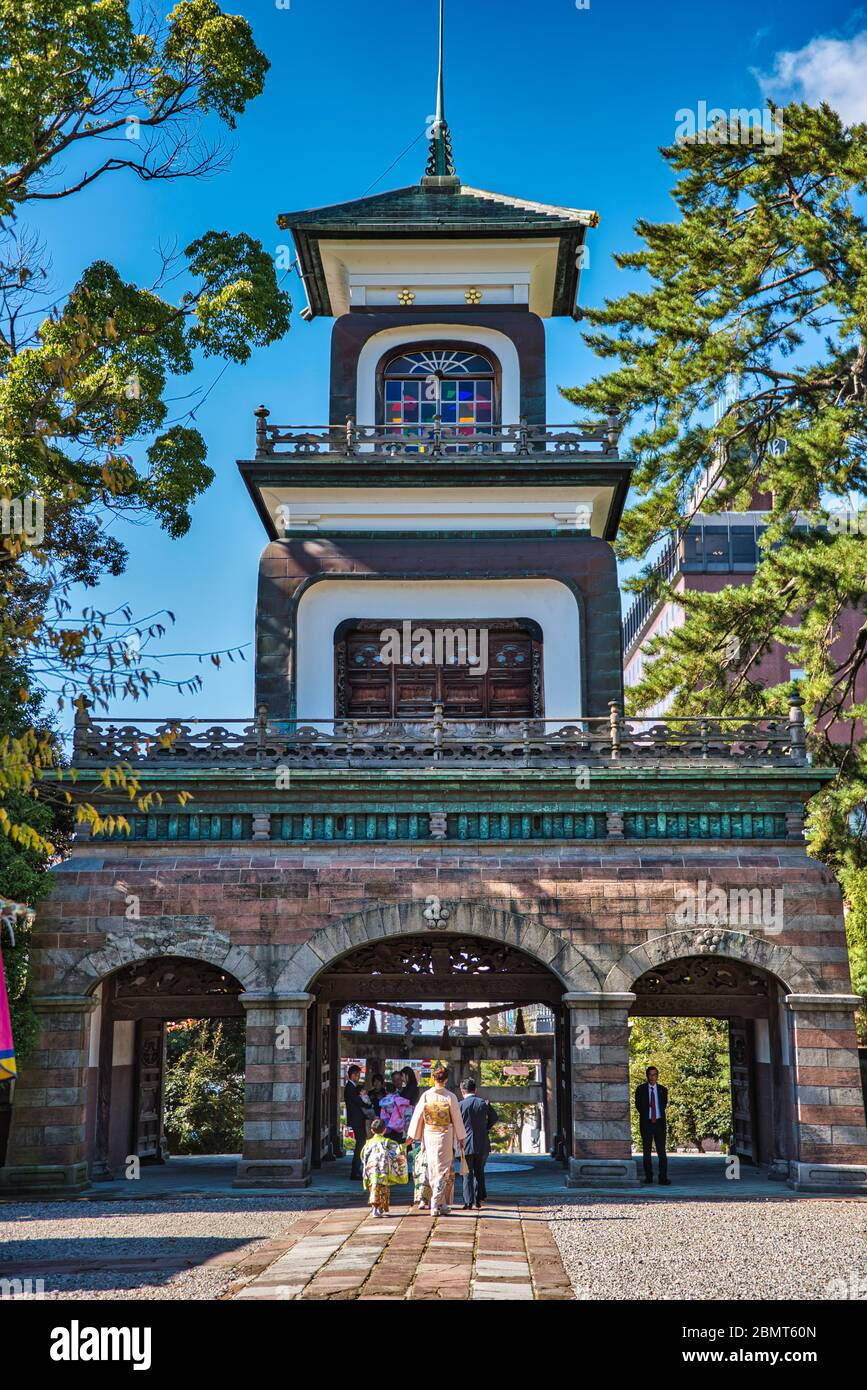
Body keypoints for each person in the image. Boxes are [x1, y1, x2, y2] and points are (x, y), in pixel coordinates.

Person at [408, 1064, 466, 1216]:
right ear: (446, 1079)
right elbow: (457, 1119)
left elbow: (418, 1116)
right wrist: (461, 1137)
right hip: (445, 1135)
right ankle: (436, 1202)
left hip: (429, 1134)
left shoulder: (426, 1095)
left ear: (433, 1078)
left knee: (433, 1169)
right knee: (444, 1170)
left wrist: (412, 1135)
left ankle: (442, 1203)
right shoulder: (450, 1096)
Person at [458, 1078, 498, 1210]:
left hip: (465, 1142)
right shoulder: (483, 1103)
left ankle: (468, 1201)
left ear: (462, 1091)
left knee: (466, 1173)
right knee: (479, 1171)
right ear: (475, 1090)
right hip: (482, 1142)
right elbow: (495, 1117)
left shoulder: (460, 1105)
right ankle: (478, 1200)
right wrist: (486, 1127)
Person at [360, 1118, 408, 1218]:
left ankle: (376, 1208)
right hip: (383, 1169)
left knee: (373, 1187)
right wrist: (406, 1144)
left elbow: (363, 1155)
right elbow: (397, 1150)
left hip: (371, 1170)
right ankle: (376, 1209)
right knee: (382, 1189)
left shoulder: (368, 1142)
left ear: (372, 1130)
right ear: (385, 1130)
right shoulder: (387, 1142)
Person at [635, 1064, 669, 1185]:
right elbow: (638, 1106)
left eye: (654, 1074)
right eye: (650, 1074)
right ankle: (648, 1177)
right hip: (646, 1123)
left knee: (662, 1151)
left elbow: (663, 1105)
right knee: (647, 1151)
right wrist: (647, 1115)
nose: (652, 1077)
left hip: (659, 1123)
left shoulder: (663, 1090)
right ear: (647, 1076)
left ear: (657, 1076)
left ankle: (663, 1177)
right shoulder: (640, 1089)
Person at [344, 1064, 372, 1180]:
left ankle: (356, 1170)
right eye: (357, 1074)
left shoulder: (352, 1087)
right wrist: (368, 1104)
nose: (358, 1076)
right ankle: (354, 1171)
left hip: (357, 1119)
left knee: (361, 1143)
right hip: (357, 1119)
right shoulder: (350, 1087)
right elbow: (358, 1101)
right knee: (360, 1144)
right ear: (353, 1075)